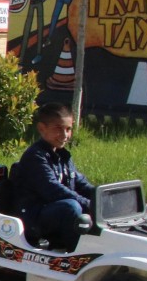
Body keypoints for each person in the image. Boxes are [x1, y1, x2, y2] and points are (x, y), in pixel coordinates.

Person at [12, 102, 96, 252]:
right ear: (42, 128)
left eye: (68, 129)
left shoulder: (62, 155)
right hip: (32, 219)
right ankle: (77, 253)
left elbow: (80, 183)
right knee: (71, 207)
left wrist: (103, 199)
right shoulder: (35, 156)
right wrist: (88, 204)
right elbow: (52, 189)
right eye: (58, 129)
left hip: (50, 212)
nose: (65, 135)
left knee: (85, 203)